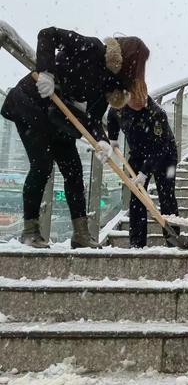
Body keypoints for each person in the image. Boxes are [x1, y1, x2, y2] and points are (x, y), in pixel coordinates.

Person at [1, 26, 149, 249]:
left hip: (60, 118)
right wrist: (46, 72)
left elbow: (93, 118)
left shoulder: (109, 85)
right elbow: (47, 34)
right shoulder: (91, 48)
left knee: (74, 171)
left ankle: (81, 234)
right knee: (42, 164)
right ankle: (30, 231)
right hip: (32, 103)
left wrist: (102, 141)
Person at [107, 92, 182, 249]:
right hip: (138, 154)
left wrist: (144, 172)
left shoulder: (156, 113)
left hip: (165, 154)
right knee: (137, 198)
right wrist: (113, 139)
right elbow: (112, 117)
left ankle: (173, 239)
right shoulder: (120, 107)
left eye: (142, 100)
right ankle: (137, 242)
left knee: (166, 196)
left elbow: (159, 147)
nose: (139, 103)